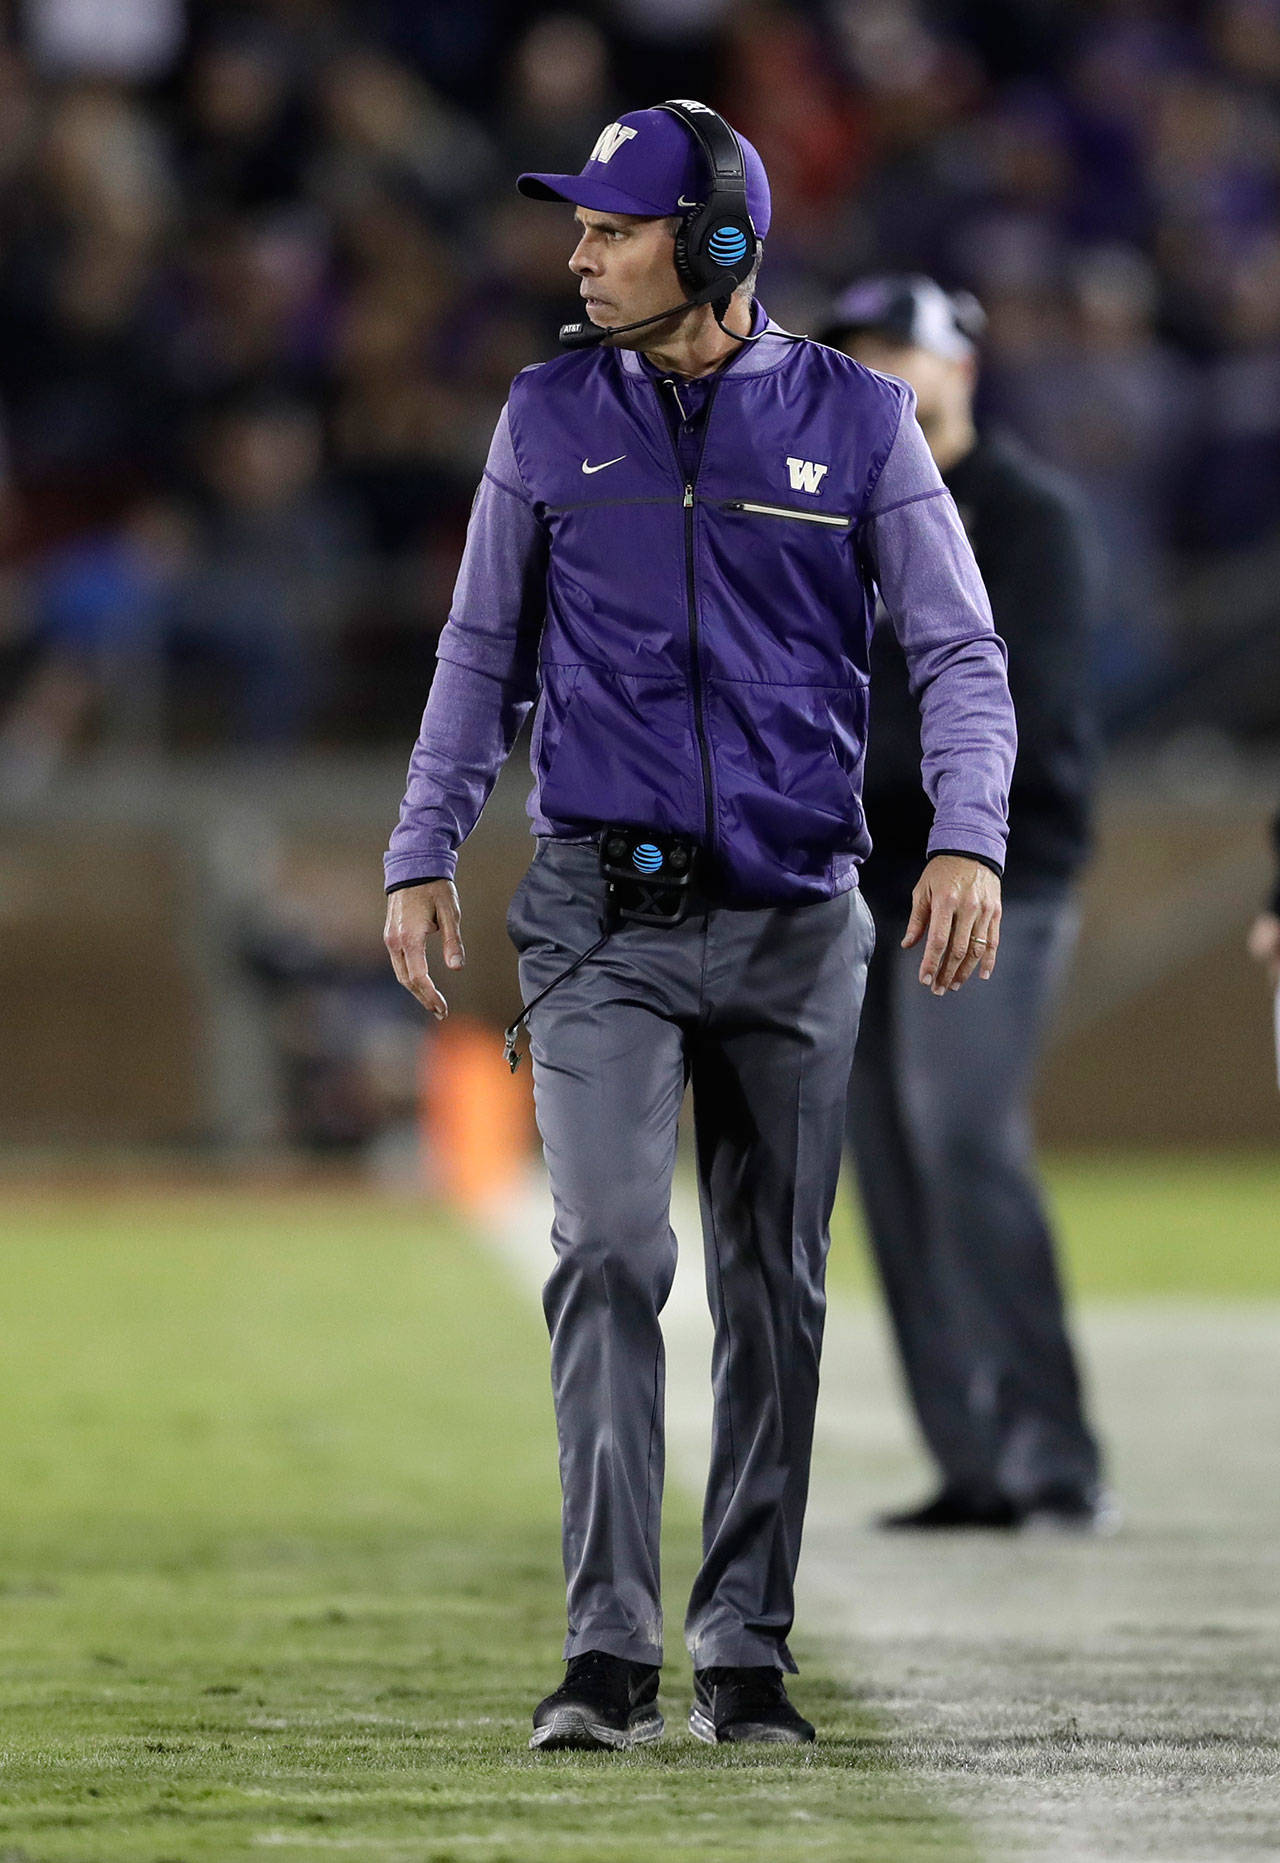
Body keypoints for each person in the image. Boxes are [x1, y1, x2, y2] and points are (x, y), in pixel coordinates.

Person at [382, 109, 1016, 1751]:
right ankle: (606, 1653)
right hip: (603, 913)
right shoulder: (543, 416)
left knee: (772, 1287)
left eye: (613, 228)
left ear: (718, 243)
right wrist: (420, 848)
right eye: (580, 230)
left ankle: (744, 1649)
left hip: (803, 918)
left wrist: (966, 839)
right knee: (609, 1247)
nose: (579, 255)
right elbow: (477, 652)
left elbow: (957, 653)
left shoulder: (859, 423)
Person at [826, 276, 1111, 1533]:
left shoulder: (1026, 515)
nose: (881, 369)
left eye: (906, 349)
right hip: (856, 884)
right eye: (861, 351)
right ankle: (972, 1460)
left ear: (964, 372)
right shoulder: (830, 512)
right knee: (884, 1166)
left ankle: (1053, 1452)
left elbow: (1018, 709)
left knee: (958, 1140)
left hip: (993, 870)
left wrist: (833, 767)